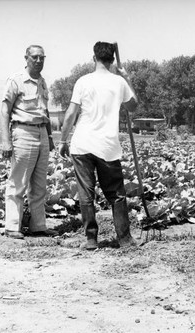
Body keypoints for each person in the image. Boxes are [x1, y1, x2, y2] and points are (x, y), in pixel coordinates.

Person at [59, 41, 139, 250]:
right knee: (117, 195)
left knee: (86, 194)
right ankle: (125, 239)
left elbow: (70, 114)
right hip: (107, 147)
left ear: (93, 58)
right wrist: (127, 77)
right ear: (112, 60)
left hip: (82, 144)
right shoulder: (119, 82)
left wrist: (63, 140)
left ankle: (91, 239)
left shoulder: (83, 81)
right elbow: (134, 106)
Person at [0, 45, 56, 240]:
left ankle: (38, 226)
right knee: (18, 182)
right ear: (26, 58)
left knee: (40, 184)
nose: (39, 61)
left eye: (42, 57)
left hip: (41, 133)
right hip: (22, 132)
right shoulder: (16, 80)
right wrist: (6, 141)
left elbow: (45, 112)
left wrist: (50, 137)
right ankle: (12, 226)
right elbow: (5, 111)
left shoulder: (42, 82)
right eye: (35, 57)